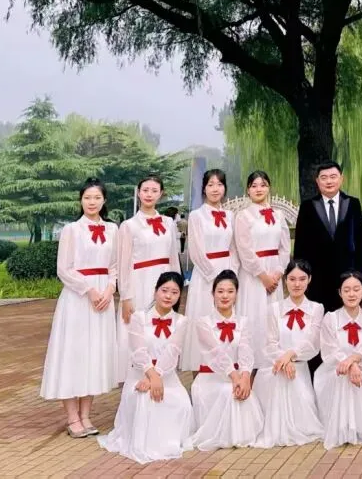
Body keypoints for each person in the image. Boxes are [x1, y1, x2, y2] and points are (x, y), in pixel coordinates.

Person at [40, 178, 120, 438]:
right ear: (80, 200)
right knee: (74, 354)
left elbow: (114, 266)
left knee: (94, 355)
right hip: (77, 299)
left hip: (103, 300)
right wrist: (90, 290)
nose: (92, 202)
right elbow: (64, 269)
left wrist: (109, 289)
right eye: (87, 198)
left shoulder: (113, 229)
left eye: (97, 197)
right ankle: (72, 417)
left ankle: (86, 415)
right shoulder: (71, 230)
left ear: (104, 200)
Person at [98, 272, 193, 463]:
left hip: (167, 377)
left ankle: (168, 442)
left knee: (180, 403)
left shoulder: (181, 321)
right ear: (155, 291)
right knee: (145, 400)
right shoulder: (138, 318)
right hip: (139, 374)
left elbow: (172, 352)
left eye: (174, 292)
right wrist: (151, 376)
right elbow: (138, 351)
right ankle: (144, 444)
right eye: (164, 290)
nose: (168, 296)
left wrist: (156, 377)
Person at [188, 270, 265, 451]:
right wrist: (236, 377)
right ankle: (222, 435)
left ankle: (241, 435)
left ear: (237, 294)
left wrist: (245, 377)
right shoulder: (203, 323)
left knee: (239, 392)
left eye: (230, 291)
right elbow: (216, 354)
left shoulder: (244, 322)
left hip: (237, 378)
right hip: (211, 379)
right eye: (220, 291)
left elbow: (246, 351)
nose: (225, 296)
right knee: (227, 391)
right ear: (212, 294)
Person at [252, 258, 324, 448]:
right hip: (277, 366)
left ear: (309, 279)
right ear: (285, 281)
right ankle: (275, 429)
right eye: (292, 279)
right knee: (279, 381)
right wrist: (284, 360)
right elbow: (270, 343)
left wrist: (290, 355)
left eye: (302, 279)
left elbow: (312, 343)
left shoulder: (316, 308)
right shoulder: (274, 309)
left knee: (300, 395)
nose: (297, 284)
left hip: (299, 367)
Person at [314, 271, 362, 448]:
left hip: (361, 369)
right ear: (340, 293)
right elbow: (330, 350)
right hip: (333, 370)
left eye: (356, 289)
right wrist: (348, 365)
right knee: (343, 380)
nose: (352, 294)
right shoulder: (330, 318)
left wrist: (353, 361)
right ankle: (342, 428)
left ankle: (360, 428)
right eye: (346, 290)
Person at [116, 175, 181, 377]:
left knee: (162, 327)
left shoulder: (168, 222)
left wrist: (177, 287)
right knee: (138, 327)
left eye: (154, 191)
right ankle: (135, 377)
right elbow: (123, 264)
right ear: (138, 192)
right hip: (140, 282)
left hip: (165, 281)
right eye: (145, 190)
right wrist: (126, 296)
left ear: (161, 194)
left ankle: (161, 373)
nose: (149, 194)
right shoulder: (129, 225)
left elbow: (173, 257)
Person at [183, 169, 239, 372]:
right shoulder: (196, 216)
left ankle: (227, 375)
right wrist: (215, 279)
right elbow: (196, 251)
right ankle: (199, 378)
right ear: (204, 189)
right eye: (211, 184)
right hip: (205, 277)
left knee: (226, 323)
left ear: (225, 188)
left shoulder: (231, 216)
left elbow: (234, 248)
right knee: (204, 322)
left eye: (219, 184)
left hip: (227, 274)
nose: (215, 189)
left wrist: (231, 275)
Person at [234, 170, 291, 369]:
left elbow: (285, 247)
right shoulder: (243, 216)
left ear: (269, 188)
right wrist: (263, 276)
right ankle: (250, 366)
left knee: (271, 318)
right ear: (248, 190)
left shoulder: (279, 215)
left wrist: (278, 273)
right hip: (253, 276)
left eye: (263, 185)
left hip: (274, 274)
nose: (259, 189)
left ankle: (271, 364)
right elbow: (244, 250)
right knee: (254, 317)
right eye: (254, 186)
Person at [294, 161, 362, 312]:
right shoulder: (307, 206)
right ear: (317, 181)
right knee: (319, 318)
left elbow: (359, 242)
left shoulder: (353, 203)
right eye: (324, 177)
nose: (329, 181)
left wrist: (359, 275)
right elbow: (300, 245)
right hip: (317, 277)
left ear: (341, 178)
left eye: (333, 176)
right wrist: (301, 275)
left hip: (347, 276)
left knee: (347, 319)